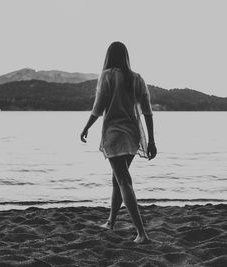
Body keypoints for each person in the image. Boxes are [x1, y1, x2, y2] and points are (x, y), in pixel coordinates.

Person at [80, 41, 157, 244]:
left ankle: (141, 234)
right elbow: (148, 112)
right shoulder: (137, 78)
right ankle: (111, 222)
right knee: (118, 178)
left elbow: (98, 108)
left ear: (109, 57)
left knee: (124, 181)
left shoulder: (107, 76)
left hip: (114, 135)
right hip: (132, 135)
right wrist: (151, 141)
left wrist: (86, 127)